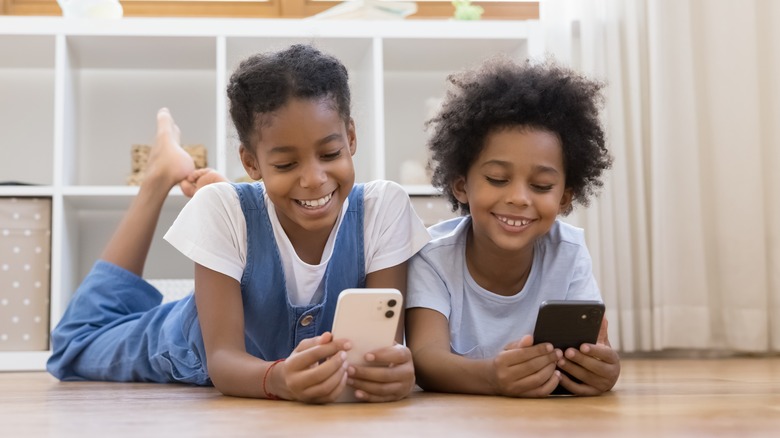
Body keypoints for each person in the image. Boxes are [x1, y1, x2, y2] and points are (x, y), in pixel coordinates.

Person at [47, 44, 431, 404]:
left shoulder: (383, 208)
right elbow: (223, 359)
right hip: (190, 343)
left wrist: (393, 371)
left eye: (330, 153)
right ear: (251, 163)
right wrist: (278, 380)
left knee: (229, 213)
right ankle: (158, 176)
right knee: (74, 345)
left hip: (237, 253)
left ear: (350, 137)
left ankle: (245, 213)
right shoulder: (222, 210)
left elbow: (387, 348)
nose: (314, 178)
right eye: (285, 164)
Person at [405, 56, 620, 397]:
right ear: (462, 185)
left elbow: (592, 349)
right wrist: (491, 377)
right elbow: (425, 359)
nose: (519, 198)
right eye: (497, 179)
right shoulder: (432, 257)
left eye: (541, 186)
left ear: (565, 197)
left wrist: (601, 369)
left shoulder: (569, 251)